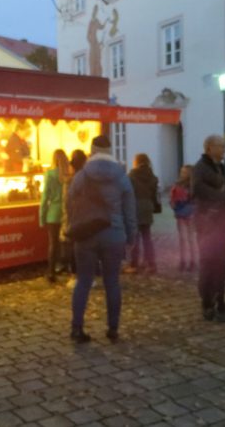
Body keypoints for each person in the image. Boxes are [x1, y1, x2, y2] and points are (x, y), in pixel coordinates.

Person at [67, 135, 137, 343]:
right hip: (114, 234)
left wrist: (73, 227)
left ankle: (77, 327)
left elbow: (70, 204)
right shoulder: (122, 177)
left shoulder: (81, 176)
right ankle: (112, 328)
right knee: (112, 283)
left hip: (86, 234)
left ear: (92, 151)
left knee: (83, 282)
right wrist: (131, 236)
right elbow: (129, 210)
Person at [192, 135, 225, 322]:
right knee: (208, 263)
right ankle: (207, 304)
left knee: (221, 264)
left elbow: (222, 189)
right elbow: (197, 190)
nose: (224, 149)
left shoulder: (219, 165)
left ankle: (220, 300)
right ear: (209, 148)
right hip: (207, 222)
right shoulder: (200, 167)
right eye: (221, 146)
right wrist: (221, 197)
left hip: (221, 221)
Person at [40, 149, 70, 283]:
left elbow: (45, 197)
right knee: (66, 242)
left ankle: (51, 271)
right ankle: (65, 266)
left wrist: (41, 217)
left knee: (53, 243)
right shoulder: (69, 174)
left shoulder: (49, 174)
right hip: (66, 212)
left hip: (53, 212)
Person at [126, 153, 158, 274]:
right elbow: (155, 194)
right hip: (148, 206)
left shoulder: (131, 176)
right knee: (147, 237)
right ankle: (151, 264)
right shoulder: (152, 176)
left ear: (136, 162)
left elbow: (128, 193)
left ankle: (134, 264)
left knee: (135, 237)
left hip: (135, 206)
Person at [61, 149, 88, 281]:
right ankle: (83, 274)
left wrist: (67, 217)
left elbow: (66, 202)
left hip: (73, 217)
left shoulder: (69, 181)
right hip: (84, 216)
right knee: (83, 246)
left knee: (73, 246)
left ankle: (75, 274)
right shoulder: (87, 178)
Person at [169, 165, 199, 271]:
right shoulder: (178, 184)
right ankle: (183, 260)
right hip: (180, 213)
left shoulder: (193, 185)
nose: (183, 174)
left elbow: (197, 199)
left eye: (185, 172)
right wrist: (173, 205)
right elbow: (172, 198)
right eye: (182, 171)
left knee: (191, 238)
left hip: (190, 213)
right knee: (183, 238)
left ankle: (193, 261)